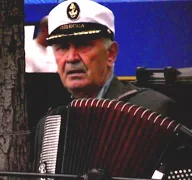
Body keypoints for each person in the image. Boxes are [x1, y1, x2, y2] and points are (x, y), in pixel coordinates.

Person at [32, 0, 182, 178]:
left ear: (111, 54)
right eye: (62, 47)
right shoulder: (50, 123)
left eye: (83, 45)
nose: (71, 58)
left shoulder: (154, 108)